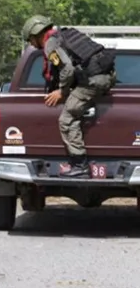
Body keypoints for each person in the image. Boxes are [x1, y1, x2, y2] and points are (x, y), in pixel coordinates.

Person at [22, 15, 116, 178]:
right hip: (106, 74)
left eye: (31, 40)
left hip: (92, 81)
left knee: (67, 119)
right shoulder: (63, 35)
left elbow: (67, 70)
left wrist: (62, 91)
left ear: (36, 34)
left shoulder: (50, 45)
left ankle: (80, 166)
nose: (31, 44)